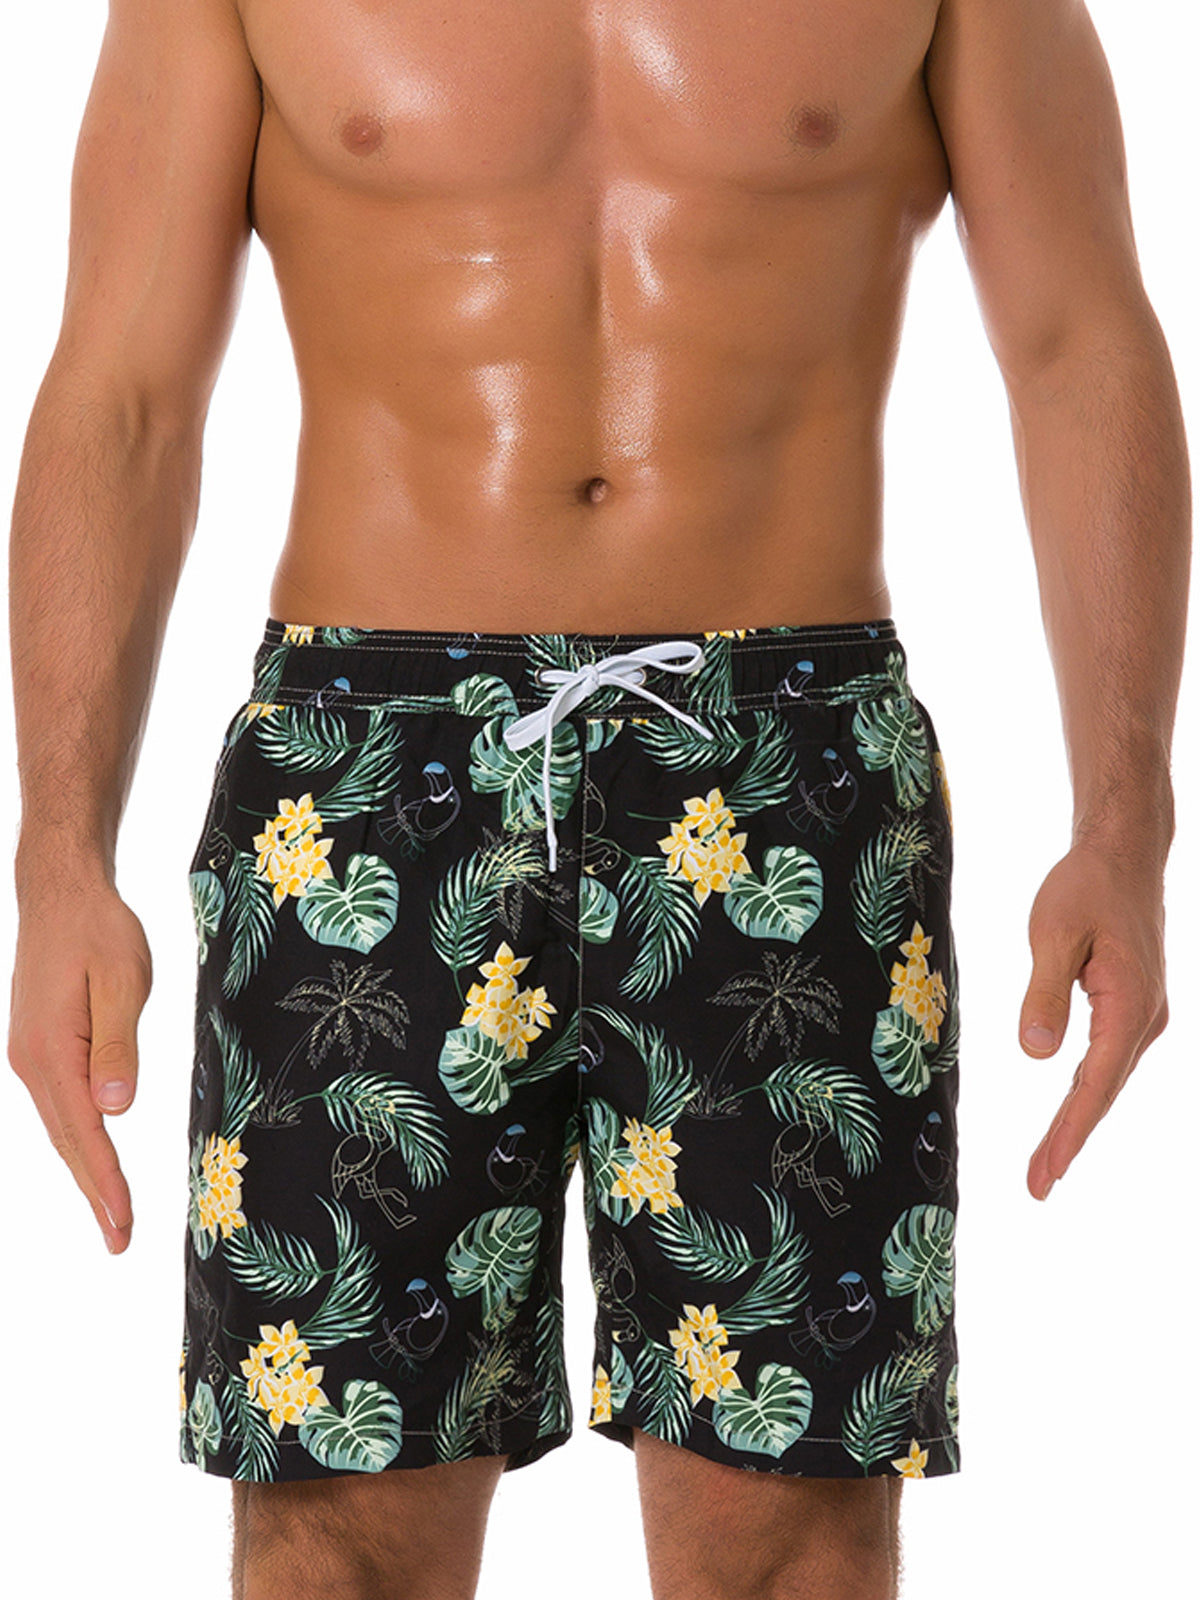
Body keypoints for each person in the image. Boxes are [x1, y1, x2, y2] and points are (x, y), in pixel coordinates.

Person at [6, 0, 1189, 1597]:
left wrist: (1126, 822)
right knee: (335, 1537)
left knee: (791, 1535)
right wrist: (58, 855)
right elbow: (123, 390)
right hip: (363, 778)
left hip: (785, 767)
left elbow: (1079, 342)